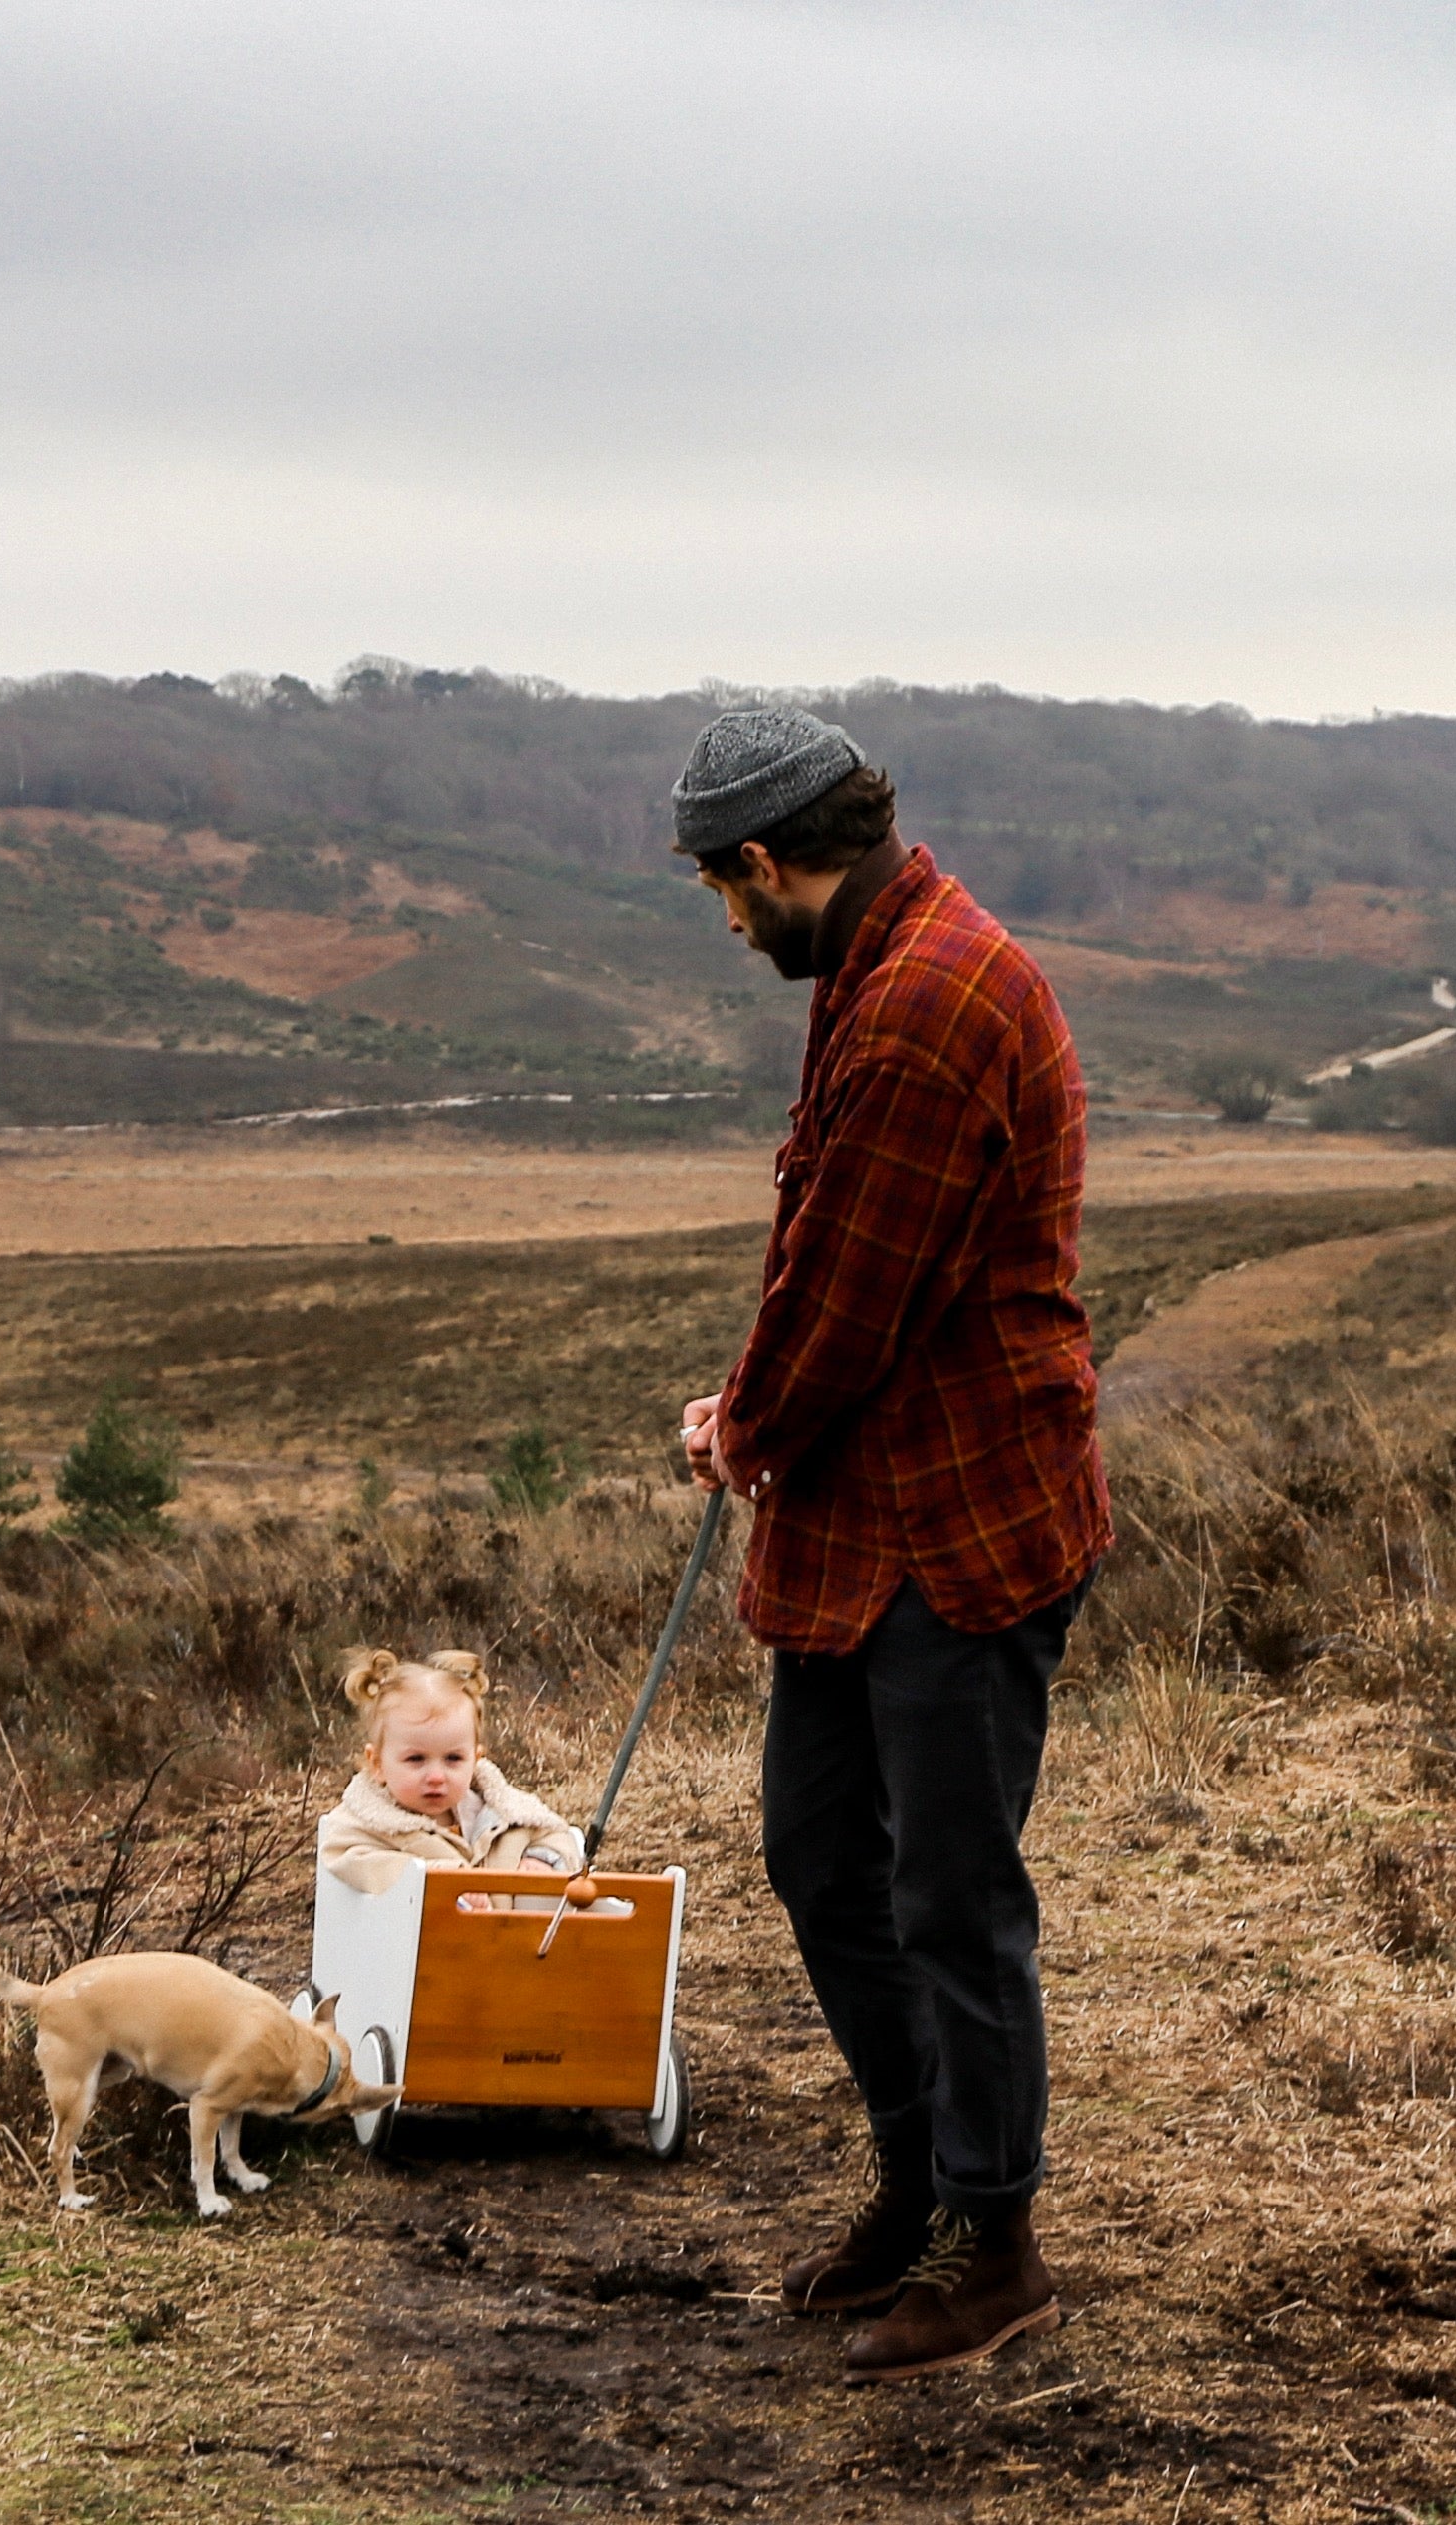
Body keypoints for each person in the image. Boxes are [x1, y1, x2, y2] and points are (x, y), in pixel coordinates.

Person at [670, 704, 1109, 2384]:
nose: (729, 924)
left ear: (772, 862)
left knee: (949, 1893)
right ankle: (923, 2176)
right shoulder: (889, 958)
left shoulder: (922, 1006)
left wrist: (740, 1420)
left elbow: (848, 1296)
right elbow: (835, 1249)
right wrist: (764, 1405)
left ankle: (993, 2244)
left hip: (961, 1518)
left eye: (727, 890)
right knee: (820, 1852)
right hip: (879, 1516)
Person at [318, 1648, 584, 1907]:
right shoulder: (365, 1823)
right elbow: (352, 1859)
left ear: (475, 1760)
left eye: (453, 1759)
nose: (436, 1776)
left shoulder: (507, 1814)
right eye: (416, 1759)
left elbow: (562, 1835)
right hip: (423, 1946)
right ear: (378, 1764)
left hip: (513, 1945)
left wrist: (543, 1859)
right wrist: (442, 1879)